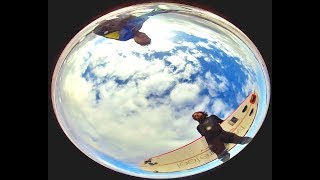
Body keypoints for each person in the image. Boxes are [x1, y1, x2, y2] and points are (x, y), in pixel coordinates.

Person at [93, 8, 176, 46]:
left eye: (142, 39)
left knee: (127, 22)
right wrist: (158, 12)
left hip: (103, 25)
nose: (143, 36)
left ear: (136, 41)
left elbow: (98, 32)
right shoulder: (139, 26)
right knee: (132, 18)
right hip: (115, 15)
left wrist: (109, 24)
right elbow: (145, 17)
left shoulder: (124, 37)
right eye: (146, 36)